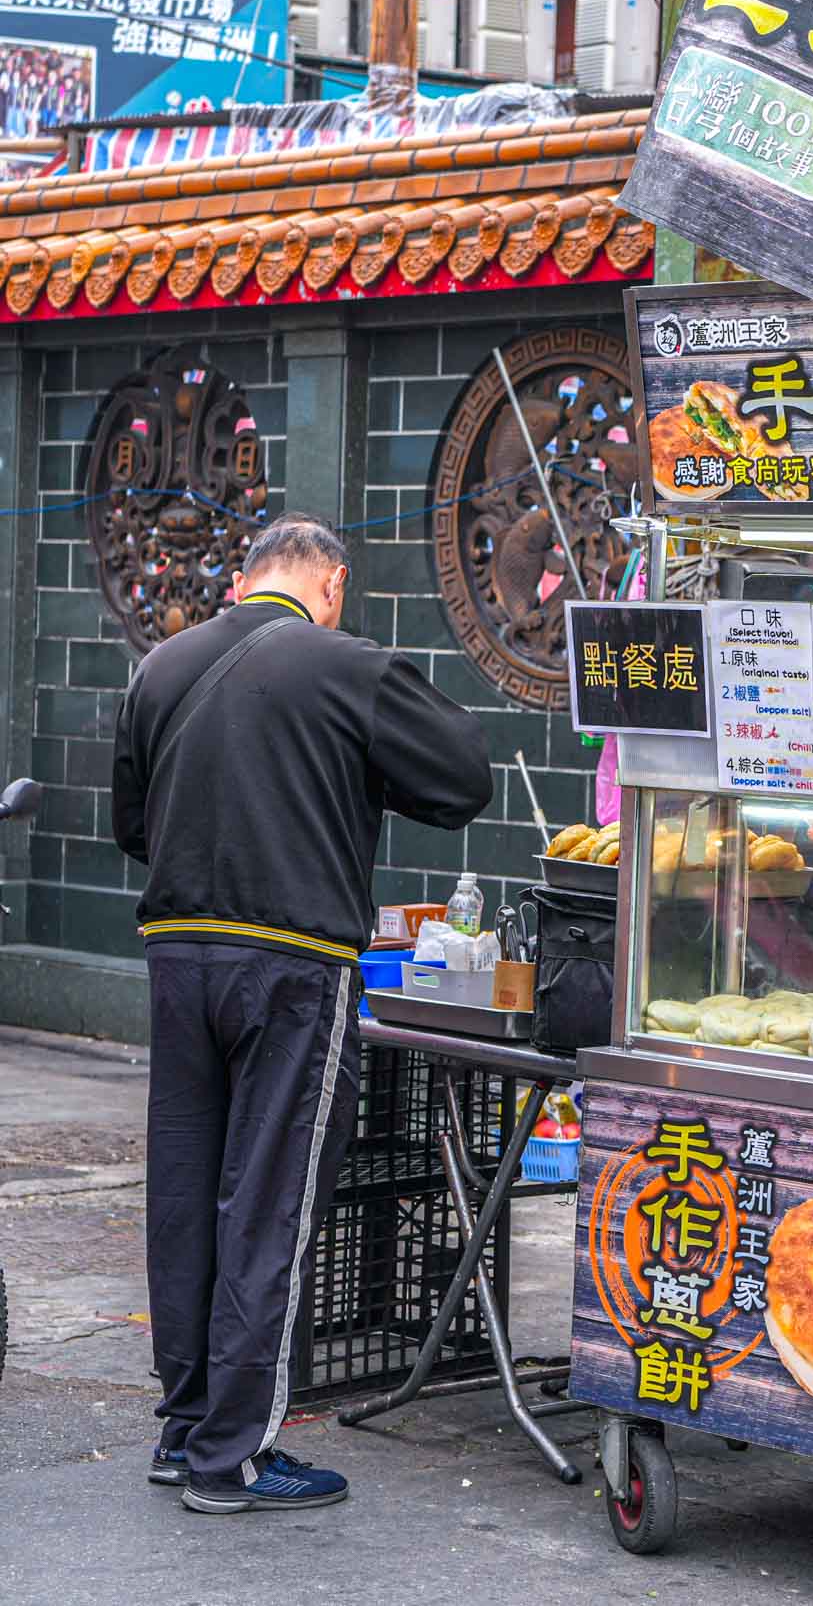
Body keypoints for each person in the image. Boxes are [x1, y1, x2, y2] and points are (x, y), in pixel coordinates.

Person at [112, 514, 493, 1515]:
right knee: (269, 1198)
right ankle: (232, 1454)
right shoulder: (345, 663)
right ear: (329, 583)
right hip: (293, 964)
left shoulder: (160, 667)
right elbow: (462, 776)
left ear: (245, 580)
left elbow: (127, 824)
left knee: (188, 1190)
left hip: (176, 956)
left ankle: (186, 1422)